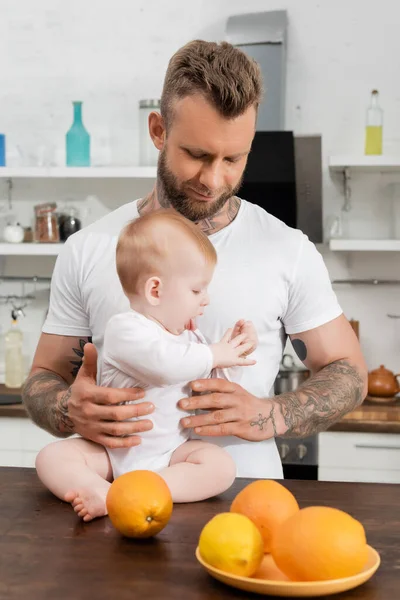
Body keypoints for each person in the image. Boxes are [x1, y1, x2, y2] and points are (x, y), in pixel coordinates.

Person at [23, 39, 367, 482]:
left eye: (233, 159)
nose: (214, 179)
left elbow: (348, 371)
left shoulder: (287, 249)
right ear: (158, 131)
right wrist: (68, 409)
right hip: (115, 511)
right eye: (198, 155)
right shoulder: (89, 248)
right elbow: (42, 379)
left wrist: (271, 414)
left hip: (244, 507)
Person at [35, 210, 258, 520]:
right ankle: (108, 491)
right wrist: (214, 353)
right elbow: (164, 367)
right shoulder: (125, 330)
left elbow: (211, 387)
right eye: (197, 290)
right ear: (155, 290)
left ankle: (134, 492)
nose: (205, 300)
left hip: (171, 455)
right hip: (112, 454)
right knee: (52, 457)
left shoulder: (191, 340)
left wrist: (234, 352)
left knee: (220, 467)